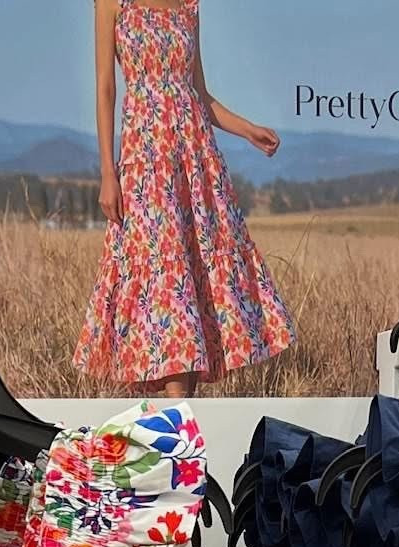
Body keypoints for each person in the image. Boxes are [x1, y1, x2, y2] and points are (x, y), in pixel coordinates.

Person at [76, 0, 295, 397]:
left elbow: (199, 94)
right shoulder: (112, 3)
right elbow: (106, 87)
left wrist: (247, 129)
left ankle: (184, 415)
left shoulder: (189, 6)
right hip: (146, 158)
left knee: (193, 278)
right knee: (164, 275)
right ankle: (181, 416)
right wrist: (108, 171)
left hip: (195, 158)